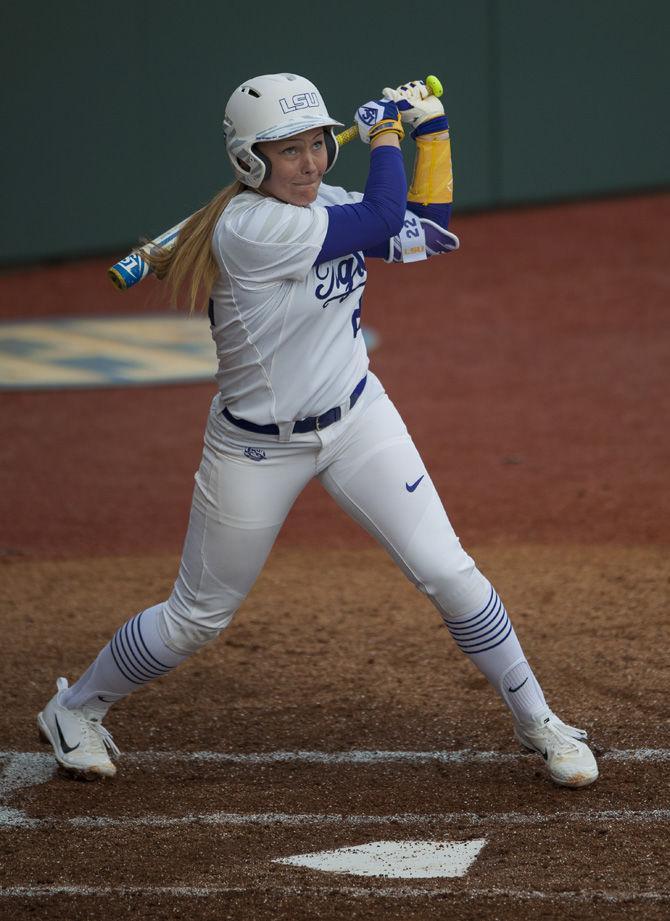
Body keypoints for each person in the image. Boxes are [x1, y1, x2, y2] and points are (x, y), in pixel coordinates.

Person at [37, 73, 598, 789]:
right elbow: (381, 212)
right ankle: (75, 708)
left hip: (359, 415)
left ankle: (539, 719)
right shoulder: (252, 228)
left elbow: (427, 230)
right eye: (290, 151)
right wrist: (386, 136)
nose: (311, 164)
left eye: (317, 145)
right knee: (196, 618)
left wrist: (430, 131)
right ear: (249, 162)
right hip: (256, 446)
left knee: (450, 570)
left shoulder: (323, 201)